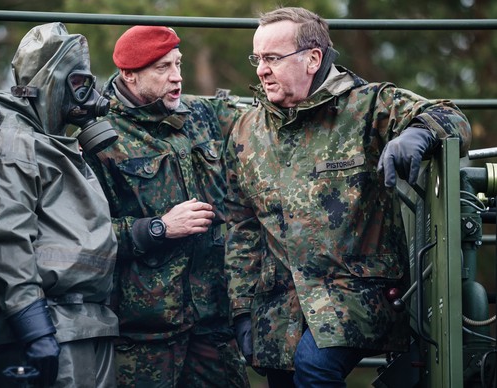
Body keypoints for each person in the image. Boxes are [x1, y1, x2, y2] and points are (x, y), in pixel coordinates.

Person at [225, 6, 472, 388]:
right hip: (280, 301)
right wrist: (241, 309)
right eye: (257, 59)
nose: (260, 70)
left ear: (313, 59)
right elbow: (241, 225)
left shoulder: (366, 106)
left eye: (272, 58)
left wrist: (417, 134)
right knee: (284, 376)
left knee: (314, 367)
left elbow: (450, 116)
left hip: (357, 293)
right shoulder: (247, 129)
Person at [82, 25, 250, 387]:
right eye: (162, 68)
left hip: (212, 324)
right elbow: (83, 236)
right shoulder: (100, 138)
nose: (177, 77)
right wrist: (157, 228)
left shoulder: (202, 115)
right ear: (129, 74)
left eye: (178, 64)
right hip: (145, 334)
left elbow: (272, 111)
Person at [0, 22, 119, 388]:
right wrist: (34, 327)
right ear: (50, 84)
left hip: (85, 327)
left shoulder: (49, 146)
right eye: (78, 85)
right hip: (53, 330)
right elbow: (6, 240)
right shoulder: (13, 148)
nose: (88, 98)